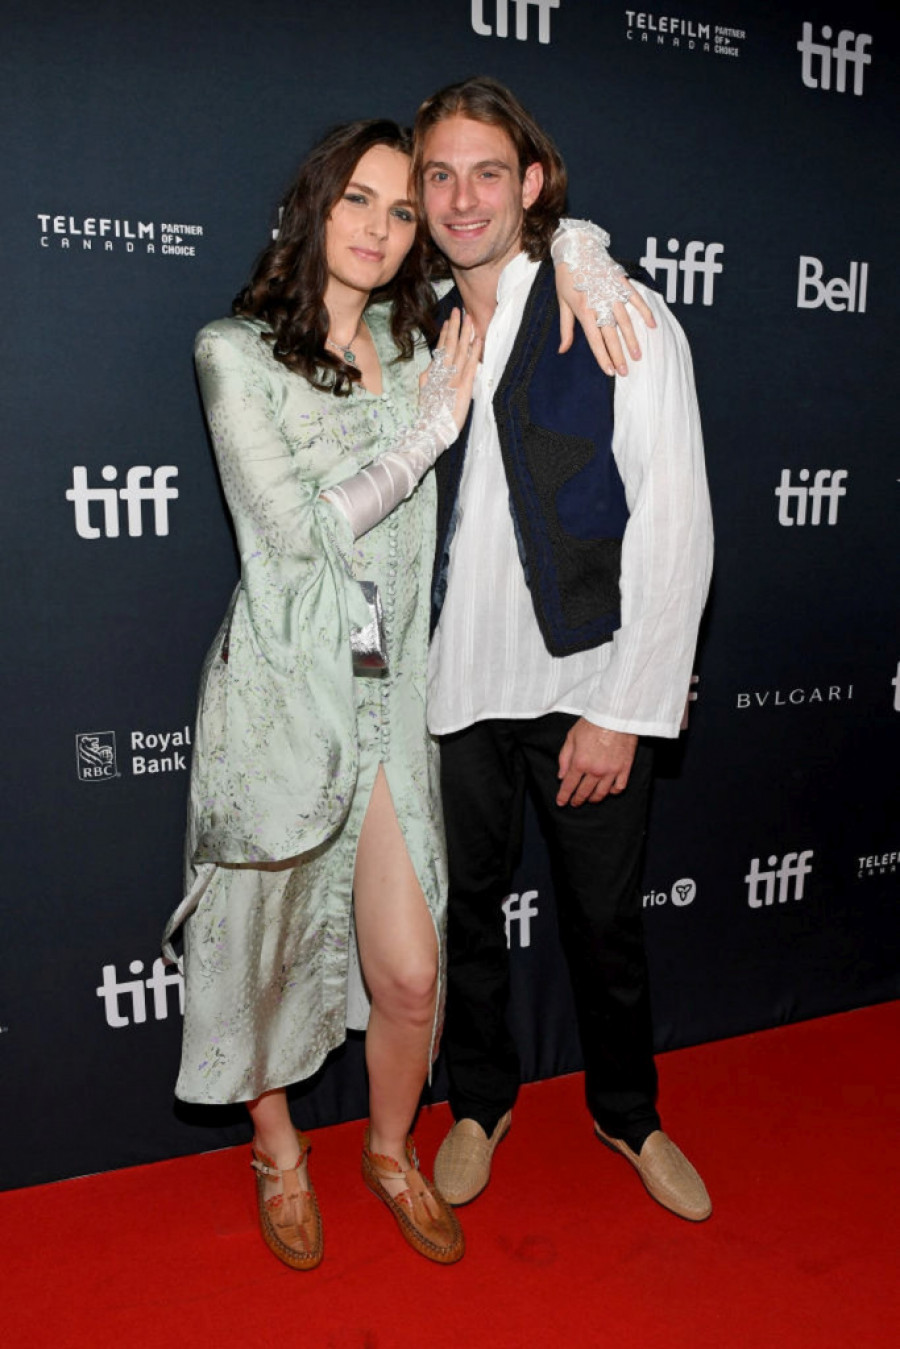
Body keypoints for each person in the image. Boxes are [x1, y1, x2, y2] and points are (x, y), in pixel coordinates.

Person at [163, 117, 640, 1269]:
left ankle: (389, 1149)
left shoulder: (418, 330)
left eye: (399, 207)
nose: (381, 228)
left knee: (413, 972)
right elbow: (292, 540)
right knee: (259, 956)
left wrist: (582, 250)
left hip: (391, 694)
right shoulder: (234, 353)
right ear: (312, 207)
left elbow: (516, 263)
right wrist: (429, 432)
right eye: (356, 201)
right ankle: (278, 1149)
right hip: (284, 701)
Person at [413, 78, 715, 1223]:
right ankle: (478, 1102)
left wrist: (625, 708)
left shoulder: (616, 309)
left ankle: (629, 1112)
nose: (463, 198)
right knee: (468, 914)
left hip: (585, 686)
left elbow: (677, 519)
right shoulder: (418, 324)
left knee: (605, 924)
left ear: (532, 182)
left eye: (488, 172)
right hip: (455, 687)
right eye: (440, 175)